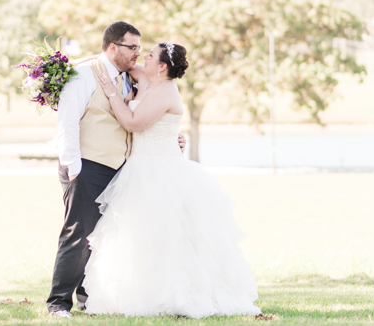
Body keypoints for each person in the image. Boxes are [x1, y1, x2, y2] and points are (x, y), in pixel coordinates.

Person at [82, 42, 261, 318]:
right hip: (138, 167)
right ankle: (133, 293)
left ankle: (174, 295)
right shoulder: (144, 77)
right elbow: (110, 60)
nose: (144, 57)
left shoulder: (166, 91)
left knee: (166, 235)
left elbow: (132, 123)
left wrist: (111, 94)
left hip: (159, 171)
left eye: (150, 55)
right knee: (136, 235)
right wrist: (69, 63)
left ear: (162, 66)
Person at [46, 21, 186, 317]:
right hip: (87, 165)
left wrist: (172, 136)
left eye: (141, 48)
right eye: (132, 47)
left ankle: (89, 296)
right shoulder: (84, 76)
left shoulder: (130, 78)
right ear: (113, 47)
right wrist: (73, 166)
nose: (138, 53)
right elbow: (68, 122)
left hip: (122, 169)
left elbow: (149, 118)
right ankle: (58, 303)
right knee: (79, 234)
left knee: (105, 237)